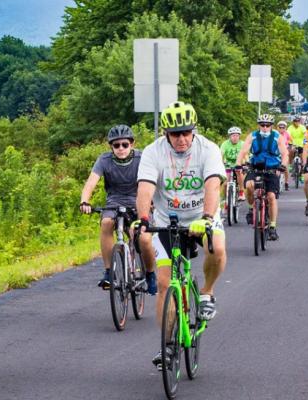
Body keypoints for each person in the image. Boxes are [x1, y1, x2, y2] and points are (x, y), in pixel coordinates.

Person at [135, 101, 227, 367]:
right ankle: (167, 347)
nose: (182, 139)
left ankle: (207, 292)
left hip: (201, 217)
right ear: (166, 134)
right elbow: (145, 188)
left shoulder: (207, 149)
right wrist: (143, 219)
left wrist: (207, 218)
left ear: (193, 131)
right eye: (176, 134)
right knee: (165, 284)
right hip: (167, 222)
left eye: (187, 132)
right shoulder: (154, 152)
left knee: (217, 249)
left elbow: (212, 186)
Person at [80, 125, 156, 294]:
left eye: (125, 144)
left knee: (142, 238)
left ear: (132, 144)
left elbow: (152, 181)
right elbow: (91, 183)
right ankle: (109, 272)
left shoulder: (142, 158)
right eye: (116, 145)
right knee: (106, 223)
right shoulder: (104, 160)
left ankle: (150, 274)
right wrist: (84, 201)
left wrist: (152, 201)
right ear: (111, 147)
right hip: (113, 201)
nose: (121, 148)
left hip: (138, 201)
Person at [235, 114, 288, 240]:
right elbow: (243, 151)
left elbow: (285, 153)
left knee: (271, 196)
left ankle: (273, 227)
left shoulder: (277, 137)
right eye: (262, 125)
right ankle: (250, 208)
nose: (265, 127)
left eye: (267, 125)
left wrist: (283, 165)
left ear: (271, 126)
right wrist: (238, 164)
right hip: (256, 167)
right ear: (259, 125)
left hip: (272, 168)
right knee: (249, 186)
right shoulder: (252, 136)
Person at [220, 126, 245, 202]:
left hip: (239, 164)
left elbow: (246, 154)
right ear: (229, 136)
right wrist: (221, 161)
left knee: (239, 174)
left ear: (239, 136)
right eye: (233, 135)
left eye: (237, 135)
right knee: (225, 183)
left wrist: (244, 162)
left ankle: (241, 192)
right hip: (228, 165)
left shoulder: (242, 144)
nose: (235, 137)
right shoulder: (225, 144)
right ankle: (223, 199)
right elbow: (221, 154)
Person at [276, 121, 292, 191]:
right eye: (280, 127)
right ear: (278, 128)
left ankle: (286, 183)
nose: (282, 129)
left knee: (285, 168)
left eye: (283, 127)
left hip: (284, 152)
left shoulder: (287, 134)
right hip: (276, 152)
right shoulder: (275, 134)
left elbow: (291, 140)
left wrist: (290, 145)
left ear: (285, 128)